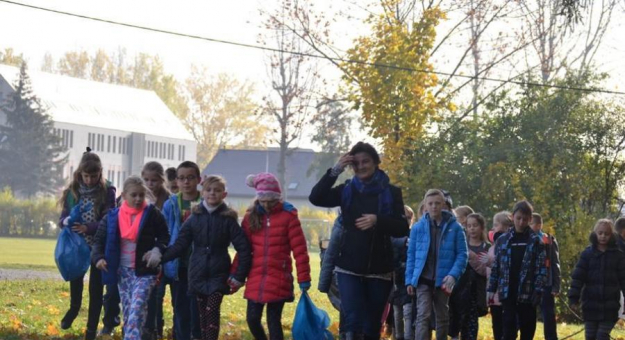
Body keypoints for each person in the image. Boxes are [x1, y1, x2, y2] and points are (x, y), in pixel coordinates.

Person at [309, 142, 409, 340]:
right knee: (353, 321)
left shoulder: (391, 192)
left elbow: (401, 228)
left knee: (372, 325)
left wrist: (377, 220)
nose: (361, 166)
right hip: (349, 266)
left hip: (380, 269)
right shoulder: (346, 190)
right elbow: (316, 197)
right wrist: (336, 169)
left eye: (366, 162)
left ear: (376, 163)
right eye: (356, 164)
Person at [157, 175, 252, 340]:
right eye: (208, 190)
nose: (212, 193)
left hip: (219, 273)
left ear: (224, 194)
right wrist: (159, 258)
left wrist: (238, 276)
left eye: (217, 190)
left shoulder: (228, 219)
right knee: (200, 314)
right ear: (203, 192)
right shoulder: (194, 217)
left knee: (212, 310)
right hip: (197, 273)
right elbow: (180, 245)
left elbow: (244, 248)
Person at [91, 176, 170, 340]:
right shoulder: (112, 217)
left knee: (137, 308)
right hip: (123, 272)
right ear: (125, 195)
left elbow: (164, 236)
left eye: (141, 195)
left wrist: (157, 251)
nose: (138, 199)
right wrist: (98, 258)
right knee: (129, 315)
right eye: (134, 195)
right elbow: (98, 240)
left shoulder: (152, 214)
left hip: (145, 271)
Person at [240, 172, 311, 340]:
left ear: (277, 198)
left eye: (270, 201)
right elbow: (243, 250)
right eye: (262, 201)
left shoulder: (289, 217)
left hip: (279, 277)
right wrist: (236, 275)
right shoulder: (250, 217)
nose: (266, 205)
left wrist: (304, 278)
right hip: (256, 277)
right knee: (252, 319)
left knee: (273, 321)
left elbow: (300, 250)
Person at [58, 148, 117, 340]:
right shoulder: (72, 191)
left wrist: (88, 228)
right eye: (86, 176)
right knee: (76, 281)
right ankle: (74, 309)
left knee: (96, 288)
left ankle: (91, 330)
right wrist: (67, 221)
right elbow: (63, 217)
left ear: (100, 173)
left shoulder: (107, 190)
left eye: (94, 176)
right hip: (77, 245)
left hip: (98, 245)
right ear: (80, 174)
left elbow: (109, 218)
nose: (90, 180)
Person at [405, 189, 468, 340]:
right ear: (425, 206)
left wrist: (453, 275)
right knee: (422, 315)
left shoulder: (456, 228)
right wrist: (409, 280)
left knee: (442, 316)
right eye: (430, 203)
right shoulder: (418, 228)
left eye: (437, 203)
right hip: (423, 278)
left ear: (443, 205)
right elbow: (411, 256)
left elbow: (462, 254)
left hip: (444, 279)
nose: (434, 207)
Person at [487, 200, 546, 340]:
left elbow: (541, 268)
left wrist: (538, 289)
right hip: (508, 291)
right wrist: (492, 288)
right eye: (518, 218)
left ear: (530, 220)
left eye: (525, 219)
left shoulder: (536, 241)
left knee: (527, 329)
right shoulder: (503, 240)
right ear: (513, 217)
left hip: (527, 292)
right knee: (508, 329)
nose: (521, 222)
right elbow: (497, 266)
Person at [162, 161, 202, 340]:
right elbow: (163, 231)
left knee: (198, 309)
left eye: (191, 178)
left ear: (198, 179)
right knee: (180, 307)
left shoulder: (206, 201)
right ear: (176, 181)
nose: (186, 182)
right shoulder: (170, 204)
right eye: (182, 178)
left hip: (200, 265)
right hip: (178, 264)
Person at [568, 219, 625, 340]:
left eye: (606, 234)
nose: (603, 236)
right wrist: (573, 298)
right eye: (600, 233)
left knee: (602, 336)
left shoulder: (618, 256)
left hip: (610, 306)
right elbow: (578, 278)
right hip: (590, 306)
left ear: (611, 235)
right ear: (595, 234)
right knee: (590, 336)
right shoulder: (587, 254)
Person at [141, 161, 172, 340]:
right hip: (141, 251)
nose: (149, 184)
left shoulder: (167, 200)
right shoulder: (138, 196)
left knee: (156, 293)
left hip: (160, 249)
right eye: (146, 179)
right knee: (145, 293)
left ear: (161, 180)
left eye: (153, 180)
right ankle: (146, 327)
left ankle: (155, 328)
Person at [448, 213, 490, 340]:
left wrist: (479, 260)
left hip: (476, 293)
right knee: (456, 320)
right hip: (458, 291)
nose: (472, 228)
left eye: (475, 225)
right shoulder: (461, 246)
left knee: (471, 324)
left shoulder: (487, 247)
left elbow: (488, 271)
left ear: (482, 227)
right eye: (469, 226)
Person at [530, 213, 560, 340]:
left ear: (538, 225)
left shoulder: (549, 240)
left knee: (548, 315)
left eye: (530, 223)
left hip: (546, 284)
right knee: (527, 316)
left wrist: (556, 286)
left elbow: (555, 264)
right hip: (529, 284)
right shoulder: (525, 239)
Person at [483, 211, 513, 340]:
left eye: (496, 225)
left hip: (505, 292)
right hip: (492, 292)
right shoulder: (492, 247)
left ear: (506, 227)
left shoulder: (509, 244)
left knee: (507, 323)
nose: (493, 228)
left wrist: (491, 262)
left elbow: (507, 265)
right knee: (496, 323)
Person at [390, 205, 415, 340]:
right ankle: (397, 336)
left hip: (408, 277)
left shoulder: (413, 234)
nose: (406, 220)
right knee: (396, 312)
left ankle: (408, 337)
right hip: (395, 278)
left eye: (409, 217)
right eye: (403, 217)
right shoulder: (392, 235)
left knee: (408, 311)